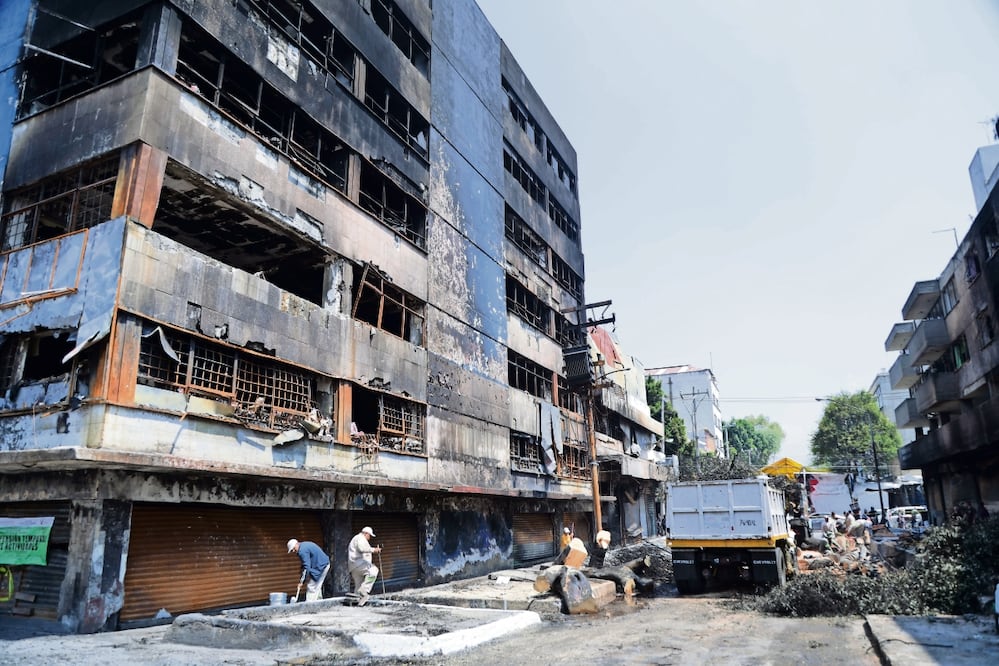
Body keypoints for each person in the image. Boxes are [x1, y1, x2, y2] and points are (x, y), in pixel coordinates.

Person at [348, 526, 382, 606]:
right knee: (374, 570)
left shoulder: (356, 538)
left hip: (354, 567)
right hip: (359, 564)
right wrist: (374, 550)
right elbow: (362, 548)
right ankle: (364, 590)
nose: (369, 538)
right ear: (366, 533)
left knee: (358, 586)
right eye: (369, 536)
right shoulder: (360, 538)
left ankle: (358, 605)